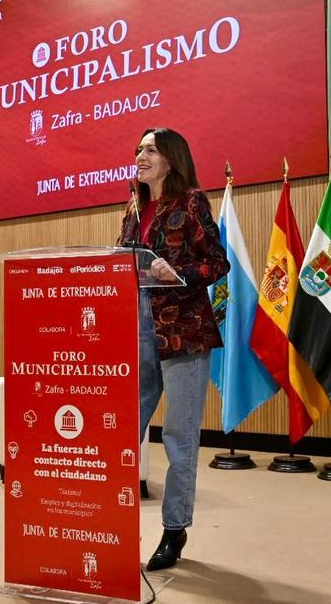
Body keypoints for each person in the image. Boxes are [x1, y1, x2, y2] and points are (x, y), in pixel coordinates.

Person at [118, 127, 229, 571]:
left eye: (149, 149)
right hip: (137, 328)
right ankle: (106, 518)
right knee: (123, 426)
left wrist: (175, 271)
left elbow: (217, 261)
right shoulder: (134, 206)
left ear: (170, 160)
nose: (140, 155)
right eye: (138, 149)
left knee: (179, 436)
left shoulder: (191, 202)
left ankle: (174, 530)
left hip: (183, 329)